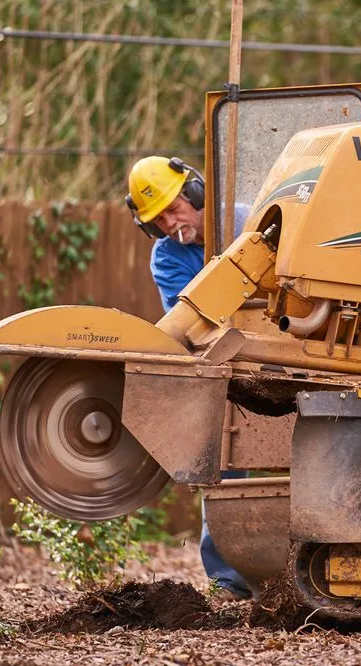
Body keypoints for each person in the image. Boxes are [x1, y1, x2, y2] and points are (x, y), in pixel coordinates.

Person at [126, 155, 252, 599]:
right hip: (224, 366)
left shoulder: (248, 222)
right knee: (225, 466)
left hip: (290, 351)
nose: (170, 221)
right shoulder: (167, 258)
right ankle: (230, 584)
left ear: (196, 194)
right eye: (158, 218)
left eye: (174, 207)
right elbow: (191, 323)